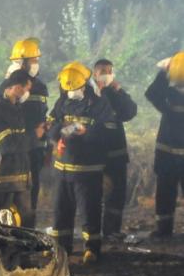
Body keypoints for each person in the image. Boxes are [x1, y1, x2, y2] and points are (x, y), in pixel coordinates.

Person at [48, 63, 115, 263]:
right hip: (63, 169)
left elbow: (110, 132)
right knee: (61, 211)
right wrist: (57, 136)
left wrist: (88, 133)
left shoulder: (99, 105)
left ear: (84, 86)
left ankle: (91, 249)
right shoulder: (61, 103)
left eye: (74, 89)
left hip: (88, 169)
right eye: (67, 90)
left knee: (90, 210)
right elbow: (52, 125)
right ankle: (62, 249)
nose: (71, 93)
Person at [0, 38, 49, 220]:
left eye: (36, 60)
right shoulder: (6, 90)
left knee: (29, 198)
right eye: (33, 60)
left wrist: (44, 145)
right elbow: (2, 124)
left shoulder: (39, 87)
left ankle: (27, 235)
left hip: (34, 151)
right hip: (14, 155)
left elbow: (41, 116)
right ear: (21, 63)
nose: (36, 64)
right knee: (8, 205)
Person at [0, 69, 40, 228]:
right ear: (16, 87)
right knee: (4, 219)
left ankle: (25, 251)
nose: (27, 93)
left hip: (20, 177)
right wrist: (34, 136)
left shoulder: (15, 108)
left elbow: (18, 138)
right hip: (4, 180)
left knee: (26, 218)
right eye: (26, 89)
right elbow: (6, 145)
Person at [92, 59, 137, 237]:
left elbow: (130, 112)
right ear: (95, 73)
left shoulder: (115, 92)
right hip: (94, 154)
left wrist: (119, 91)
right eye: (103, 70)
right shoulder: (88, 93)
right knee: (94, 194)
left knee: (117, 193)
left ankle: (112, 230)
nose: (106, 74)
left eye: (110, 71)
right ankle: (93, 230)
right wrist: (99, 93)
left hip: (117, 153)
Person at [145, 51, 184, 238]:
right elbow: (151, 93)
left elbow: (152, 94)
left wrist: (163, 72)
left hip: (168, 153)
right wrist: (165, 72)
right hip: (167, 153)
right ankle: (163, 229)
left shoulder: (167, 95)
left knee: (165, 192)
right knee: (164, 193)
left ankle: (163, 229)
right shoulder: (168, 93)